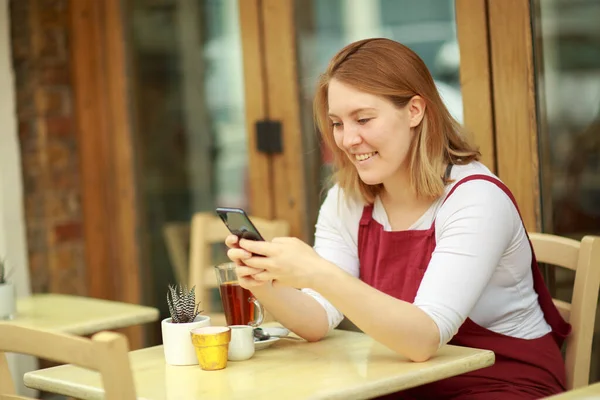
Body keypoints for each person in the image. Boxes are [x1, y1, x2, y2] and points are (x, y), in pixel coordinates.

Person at [225, 38, 570, 399]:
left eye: (363, 119)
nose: (347, 139)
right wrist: (263, 283)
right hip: (407, 380)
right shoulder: (348, 199)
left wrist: (316, 271)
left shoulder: (476, 199)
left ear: (414, 111)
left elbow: (423, 338)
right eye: (337, 123)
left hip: (501, 383)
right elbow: (316, 320)